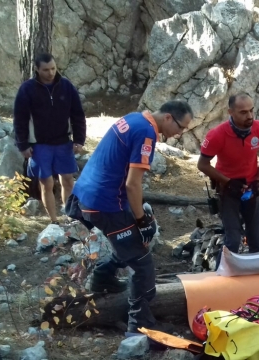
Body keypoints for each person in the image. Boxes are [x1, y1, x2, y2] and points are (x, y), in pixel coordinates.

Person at [65, 100, 193, 335]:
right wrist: (142, 220)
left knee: (128, 242)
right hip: (104, 202)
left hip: (87, 193)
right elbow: (133, 184)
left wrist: (138, 219)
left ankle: (102, 281)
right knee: (142, 263)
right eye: (181, 127)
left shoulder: (135, 117)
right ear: (168, 118)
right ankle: (140, 323)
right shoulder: (147, 134)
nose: (180, 133)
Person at [13, 53, 86, 225]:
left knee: (68, 179)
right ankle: (53, 221)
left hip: (63, 142)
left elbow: (78, 115)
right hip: (39, 145)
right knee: (46, 183)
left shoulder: (66, 86)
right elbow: (20, 119)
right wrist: (23, 145)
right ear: (37, 69)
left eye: (53, 68)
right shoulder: (27, 89)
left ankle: (70, 217)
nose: (51, 73)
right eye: (46, 70)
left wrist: (79, 139)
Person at [198, 92, 259, 257]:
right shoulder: (217, 135)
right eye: (243, 112)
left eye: (252, 110)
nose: (250, 116)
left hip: (252, 189)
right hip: (227, 191)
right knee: (232, 240)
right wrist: (228, 182)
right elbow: (202, 164)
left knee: (256, 241)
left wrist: (258, 182)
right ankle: (223, 277)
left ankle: (255, 276)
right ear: (230, 112)